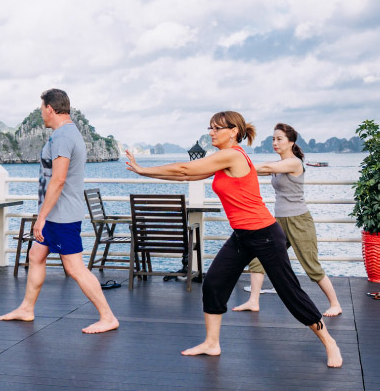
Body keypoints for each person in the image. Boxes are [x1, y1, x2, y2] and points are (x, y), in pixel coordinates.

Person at [125, 111, 341, 367]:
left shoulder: (233, 154)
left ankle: (329, 341)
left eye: (217, 128)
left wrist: (142, 169)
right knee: (214, 283)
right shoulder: (222, 159)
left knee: (289, 291)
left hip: (265, 234)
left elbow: (185, 167)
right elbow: (188, 175)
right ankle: (212, 343)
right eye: (210, 128)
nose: (211, 133)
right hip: (242, 234)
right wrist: (146, 173)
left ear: (233, 132)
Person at [0, 89, 119, 334]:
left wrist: (40, 217)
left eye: (42, 109)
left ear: (50, 109)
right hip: (55, 214)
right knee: (36, 256)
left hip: (62, 216)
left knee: (74, 267)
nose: (41, 113)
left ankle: (108, 317)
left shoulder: (63, 137)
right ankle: (26, 308)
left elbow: (59, 179)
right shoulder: (65, 134)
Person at [234, 123, 343, 317]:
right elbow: (257, 171)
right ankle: (253, 300)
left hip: (299, 221)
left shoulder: (294, 163)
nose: (275, 143)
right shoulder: (277, 164)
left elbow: (264, 167)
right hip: (279, 221)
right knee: (259, 257)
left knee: (311, 266)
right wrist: (230, 168)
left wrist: (238, 163)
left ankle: (335, 304)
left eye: (279, 139)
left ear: (291, 142)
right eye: (273, 139)